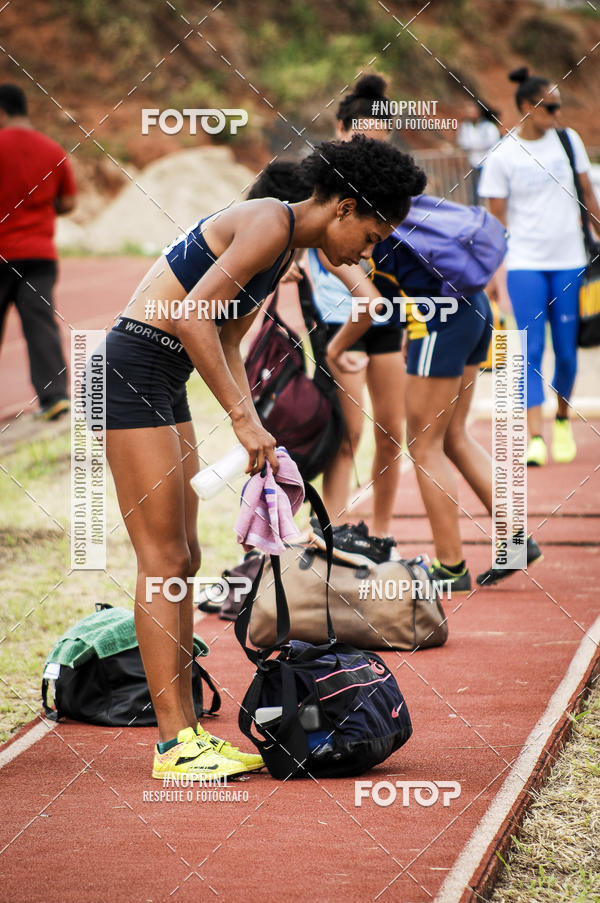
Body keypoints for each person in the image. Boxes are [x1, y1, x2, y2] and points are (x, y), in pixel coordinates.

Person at [101, 136, 425, 779]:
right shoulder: (269, 222)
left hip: (162, 376)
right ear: (343, 208)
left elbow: (225, 338)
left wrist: (259, 431)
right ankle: (174, 744)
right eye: (370, 235)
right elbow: (191, 317)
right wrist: (244, 422)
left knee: (185, 558)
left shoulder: (283, 245)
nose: (368, 253)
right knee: (162, 560)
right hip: (133, 369)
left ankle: (188, 731)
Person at [326, 220, 543, 591]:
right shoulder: (398, 215)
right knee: (454, 436)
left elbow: (371, 304)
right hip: (474, 308)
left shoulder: (355, 227)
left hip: (440, 320)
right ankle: (516, 539)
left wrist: (335, 348)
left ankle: (450, 567)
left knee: (424, 445)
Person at [307, 75, 409, 566]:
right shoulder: (324, 178)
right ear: (341, 127)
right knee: (348, 434)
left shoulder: (392, 181)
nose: (369, 139)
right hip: (338, 316)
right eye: (360, 130)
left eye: (379, 131)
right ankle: (333, 534)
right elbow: (305, 230)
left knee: (391, 431)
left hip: (386, 313)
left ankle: (381, 534)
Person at [478, 67, 600, 466]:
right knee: (530, 349)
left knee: (566, 353)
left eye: (559, 106)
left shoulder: (568, 140)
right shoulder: (503, 155)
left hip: (569, 261)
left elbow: (588, 196)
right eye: (550, 107)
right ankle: (535, 437)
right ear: (527, 108)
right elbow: (495, 222)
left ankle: (561, 419)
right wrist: (491, 273)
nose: (558, 114)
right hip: (524, 263)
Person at [0, 84, 76, 420]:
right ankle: (54, 397)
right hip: (39, 254)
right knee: (40, 324)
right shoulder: (52, 149)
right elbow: (69, 202)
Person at [457, 99, 501, 205]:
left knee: (490, 192)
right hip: (474, 164)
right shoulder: (465, 127)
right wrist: (478, 144)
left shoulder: (489, 126)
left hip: (488, 164)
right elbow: (463, 142)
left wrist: (475, 145)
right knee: (474, 194)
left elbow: (493, 142)